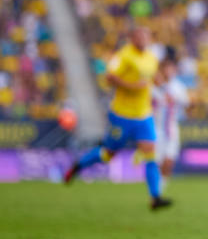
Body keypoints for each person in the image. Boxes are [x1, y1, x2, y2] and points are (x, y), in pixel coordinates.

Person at [65, 27, 173, 210]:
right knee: (108, 153)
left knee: (150, 153)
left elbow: (153, 77)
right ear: (132, 38)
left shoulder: (151, 57)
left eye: (146, 36)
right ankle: (79, 165)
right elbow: (109, 77)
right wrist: (131, 86)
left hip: (143, 115)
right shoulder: (123, 56)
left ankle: (155, 197)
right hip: (122, 115)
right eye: (140, 36)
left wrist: (164, 88)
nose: (144, 39)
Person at [153, 51, 189, 188]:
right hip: (155, 128)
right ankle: (154, 189)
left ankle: (160, 188)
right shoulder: (153, 86)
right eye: (167, 68)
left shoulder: (178, 87)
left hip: (171, 129)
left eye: (172, 68)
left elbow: (186, 105)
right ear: (162, 70)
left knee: (169, 160)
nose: (170, 71)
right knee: (156, 161)